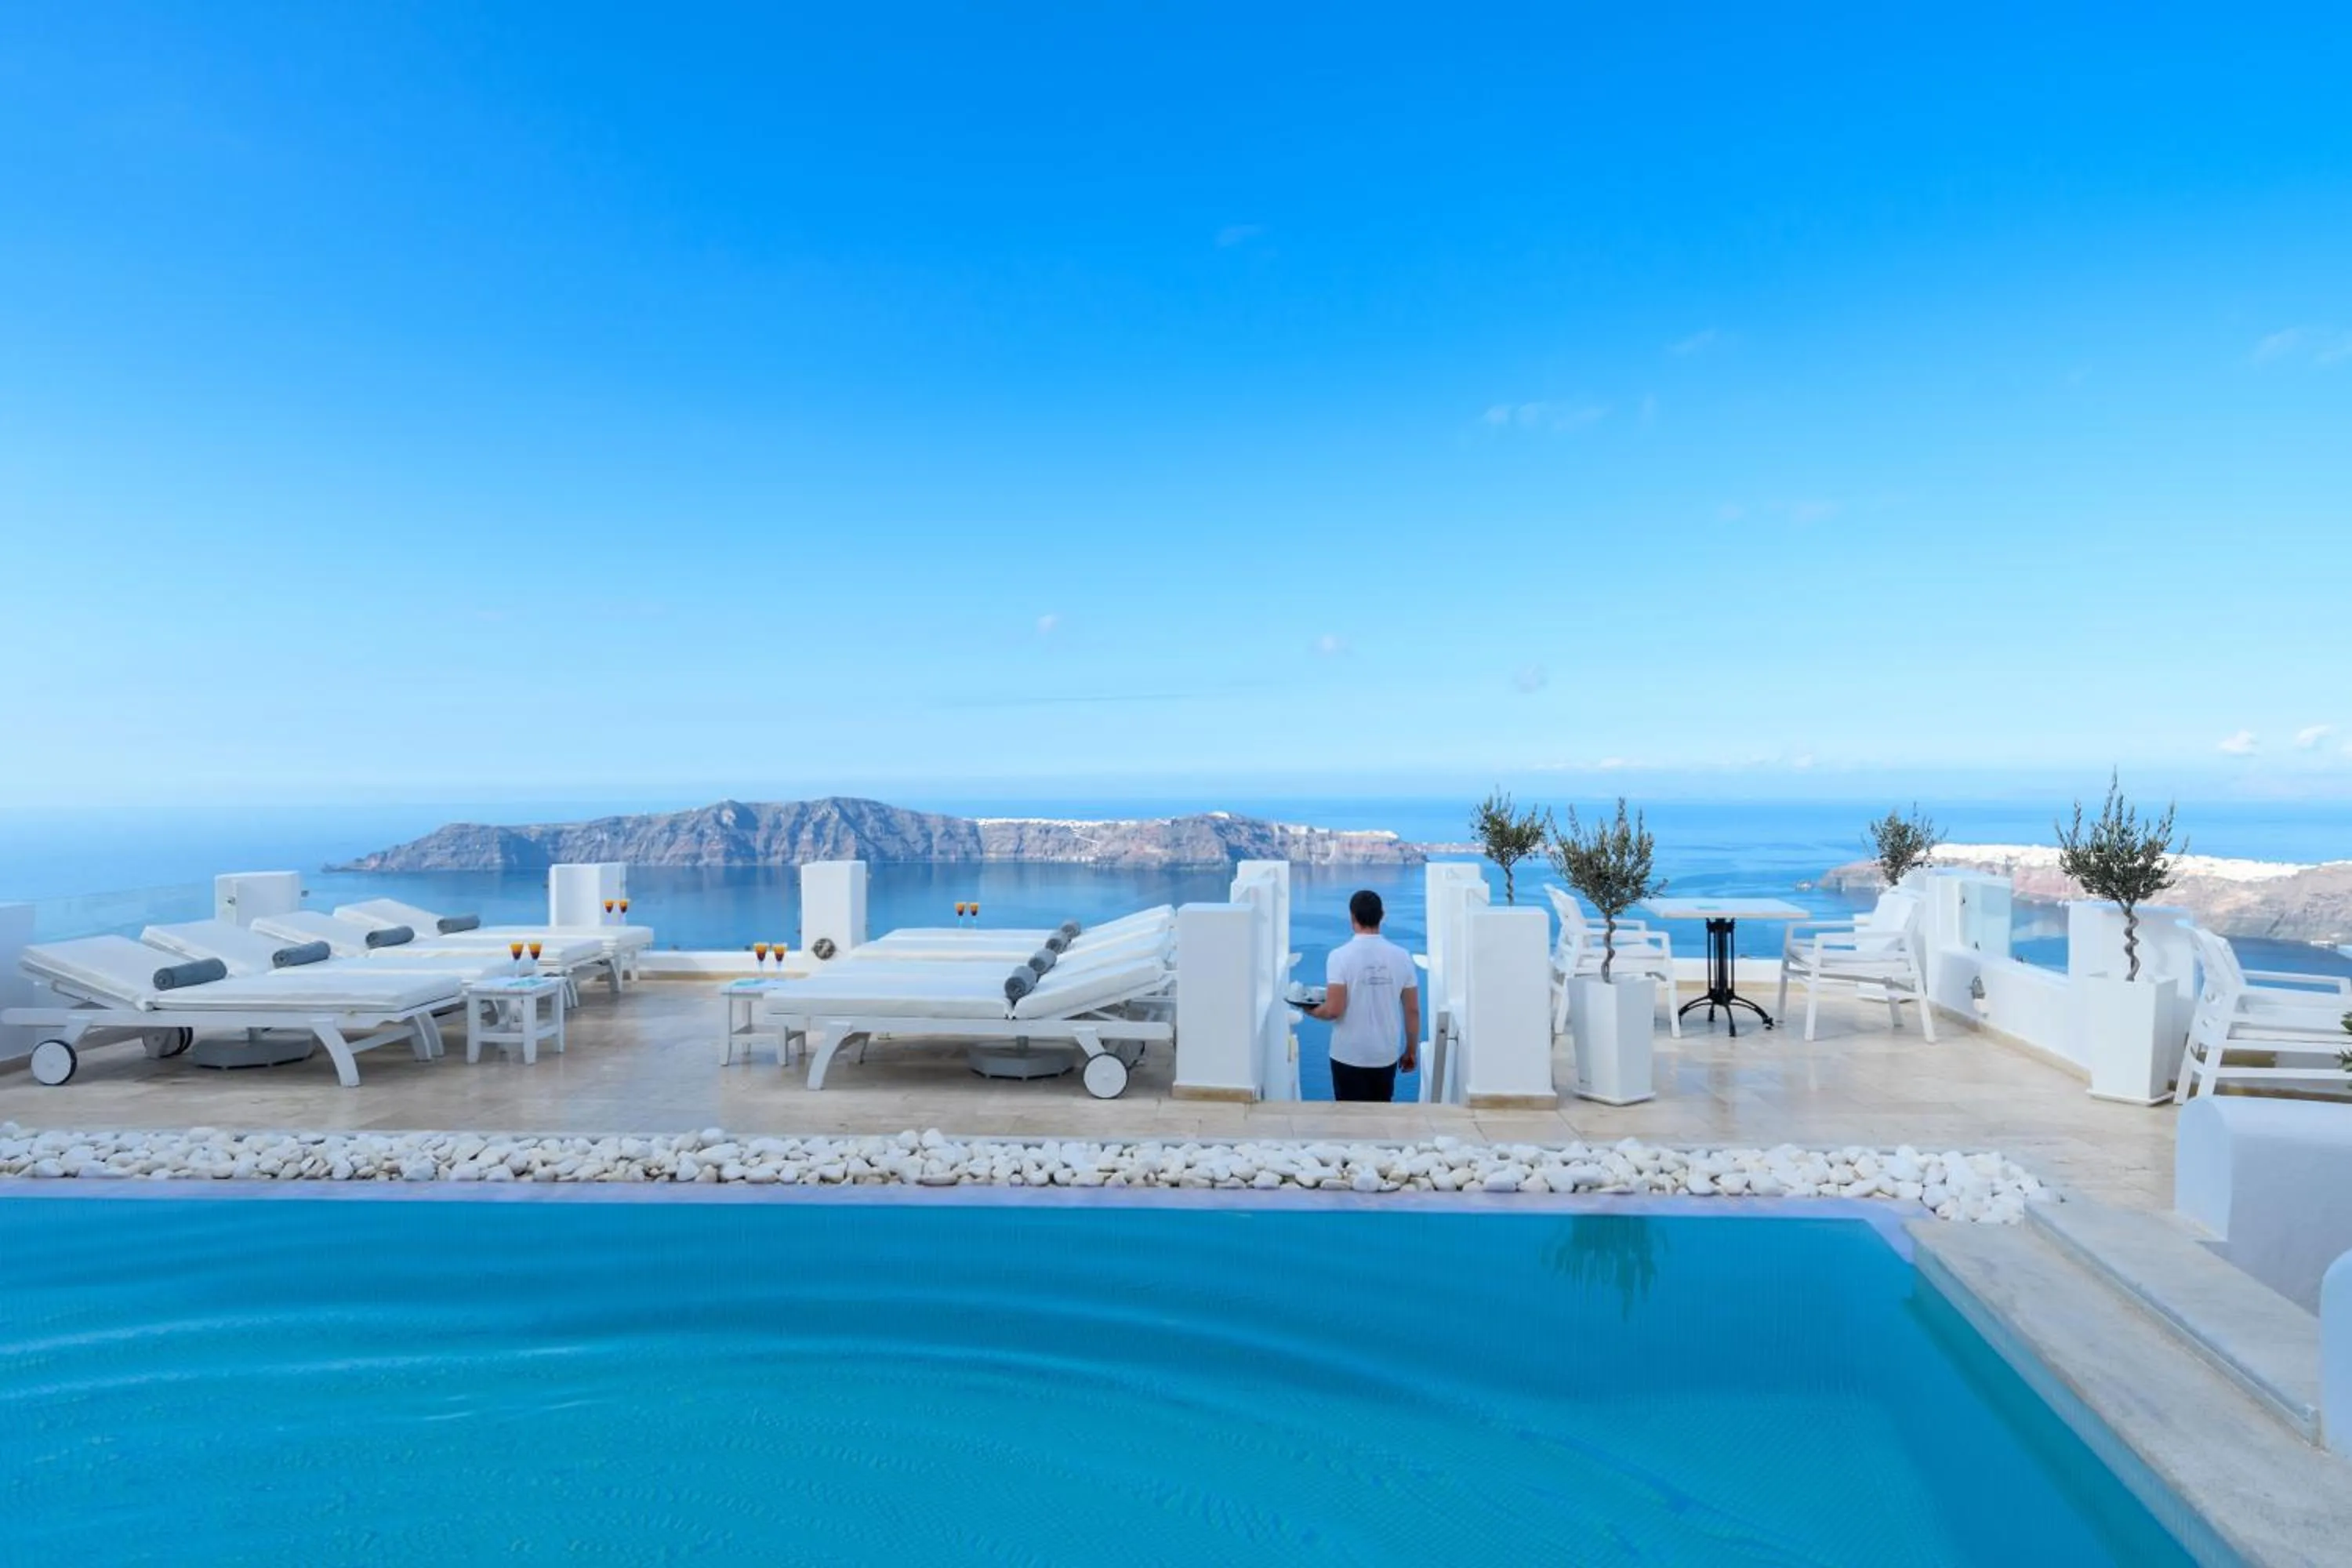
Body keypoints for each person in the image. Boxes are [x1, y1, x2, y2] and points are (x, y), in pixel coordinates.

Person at [1307, 889, 1420, 1102]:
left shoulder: (1339, 957)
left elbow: (1333, 1009)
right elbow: (1412, 1010)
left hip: (1347, 1054)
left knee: (1348, 1119)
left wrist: (1310, 1010)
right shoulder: (1402, 957)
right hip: (1384, 1055)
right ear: (1382, 915)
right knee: (1380, 1115)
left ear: (1352, 917)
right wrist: (1411, 1051)